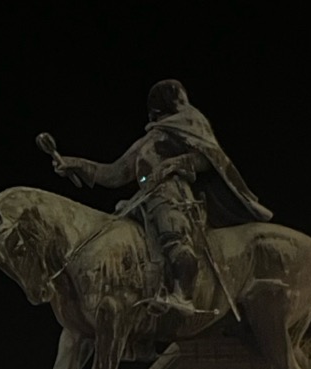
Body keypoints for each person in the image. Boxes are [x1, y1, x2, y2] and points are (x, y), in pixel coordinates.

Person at [42, 78, 271, 318]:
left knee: (171, 234)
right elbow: (114, 173)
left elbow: (207, 158)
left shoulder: (188, 125)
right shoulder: (148, 140)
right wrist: (73, 164)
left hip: (170, 196)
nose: (183, 103)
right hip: (143, 200)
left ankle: (183, 294)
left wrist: (175, 163)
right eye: (178, 98)